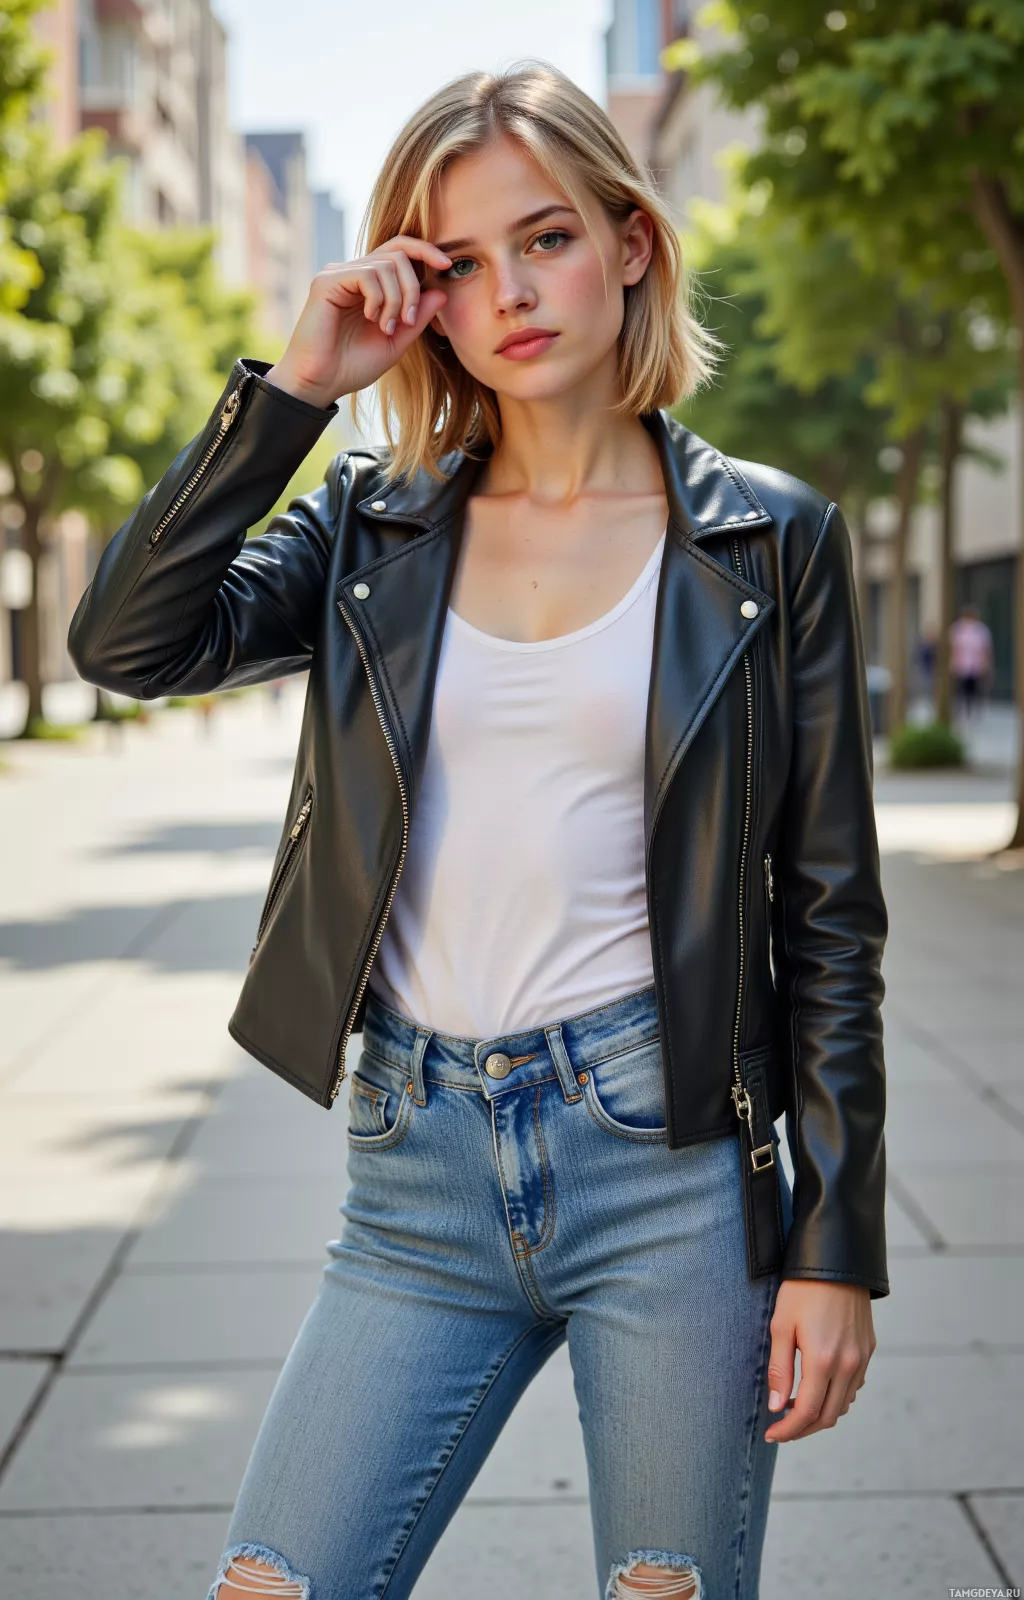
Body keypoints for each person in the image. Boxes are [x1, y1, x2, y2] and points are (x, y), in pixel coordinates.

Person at [67, 62, 888, 1600]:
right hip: (417, 1168)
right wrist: (294, 394)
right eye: (458, 266)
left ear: (631, 242)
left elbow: (830, 912)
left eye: (548, 238)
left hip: (671, 1166)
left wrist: (835, 1241)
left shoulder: (768, 542)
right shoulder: (378, 521)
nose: (509, 292)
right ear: (419, 300)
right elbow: (127, 644)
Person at [949, 603, 994, 720]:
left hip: (976, 665)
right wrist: (954, 662)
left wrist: (985, 664)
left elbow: (985, 648)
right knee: (961, 689)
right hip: (962, 664)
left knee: (975, 689)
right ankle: (962, 710)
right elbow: (955, 648)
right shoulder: (958, 629)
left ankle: (974, 711)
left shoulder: (981, 630)